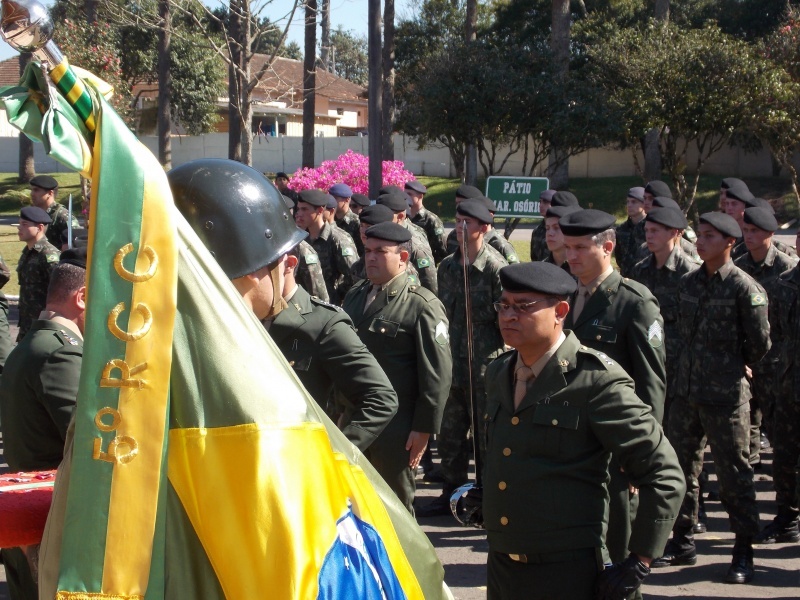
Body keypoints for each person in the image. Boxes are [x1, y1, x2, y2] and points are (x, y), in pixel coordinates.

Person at [481, 261, 684, 600]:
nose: (509, 315)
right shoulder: (499, 372)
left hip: (566, 570)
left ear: (560, 311)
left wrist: (640, 559)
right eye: (503, 305)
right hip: (503, 564)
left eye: (523, 306)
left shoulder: (595, 381)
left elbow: (664, 474)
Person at [169, 159, 399, 452]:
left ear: (288, 264)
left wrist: (333, 456)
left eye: (246, 275)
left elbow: (380, 397)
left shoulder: (322, 324)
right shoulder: (220, 319)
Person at [652, 212, 770, 585]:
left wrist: (730, 365)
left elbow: (759, 344)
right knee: (681, 471)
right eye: (699, 235)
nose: (700, 242)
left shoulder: (744, 288)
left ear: (730, 242)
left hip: (725, 397)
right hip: (686, 392)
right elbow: (678, 331)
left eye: (709, 237)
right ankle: (682, 539)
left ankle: (743, 549)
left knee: (735, 474)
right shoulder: (688, 282)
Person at [561, 209, 667, 570]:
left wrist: (640, 454)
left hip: (612, 442)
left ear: (607, 247)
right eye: (568, 247)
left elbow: (650, 384)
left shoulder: (633, 302)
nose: (571, 256)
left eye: (580, 248)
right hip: (567, 437)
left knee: (615, 544)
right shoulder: (562, 295)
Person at [342, 222, 452, 512]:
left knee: (394, 507)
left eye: (380, 252)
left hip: (396, 427)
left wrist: (423, 429)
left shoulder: (421, 305)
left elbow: (436, 374)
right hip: (353, 418)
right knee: (352, 505)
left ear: (403, 257)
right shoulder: (356, 295)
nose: (370, 258)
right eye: (367, 250)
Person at [0, 247, 86, 600]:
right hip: (50, 529)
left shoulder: (34, 344)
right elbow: (91, 443)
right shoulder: (61, 352)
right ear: (82, 297)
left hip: (31, 524)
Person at [417, 199, 508, 517]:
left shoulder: (495, 268)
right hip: (452, 366)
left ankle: (486, 496)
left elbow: (507, 320)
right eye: (457, 221)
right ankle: (451, 493)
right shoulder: (447, 267)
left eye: (467, 222)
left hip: (485, 367)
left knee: (485, 439)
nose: (460, 227)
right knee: (450, 436)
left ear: (484, 227)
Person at [734, 207, 797, 467]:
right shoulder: (739, 266)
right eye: (746, 230)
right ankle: (752, 467)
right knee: (746, 423)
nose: (748, 236)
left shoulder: (787, 269)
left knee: (779, 428)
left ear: (770, 234)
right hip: (748, 359)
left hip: (778, 363)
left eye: (755, 231)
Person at [630, 208, 701, 430]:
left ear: (674, 233)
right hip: (646, 355)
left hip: (679, 360)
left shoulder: (690, 273)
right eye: (647, 231)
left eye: (655, 231)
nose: (649, 236)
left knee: (677, 426)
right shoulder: (640, 270)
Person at [756, 230, 800, 545]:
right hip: (788, 383)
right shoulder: (785, 283)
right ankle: (788, 518)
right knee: (785, 456)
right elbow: (777, 333)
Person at [294, 189, 359, 304]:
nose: (299, 214)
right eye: (298, 209)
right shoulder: (302, 239)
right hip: (305, 305)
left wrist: (338, 294)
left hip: (330, 306)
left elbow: (355, 275)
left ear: (319, 211)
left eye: (304, 209)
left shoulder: (337, 239)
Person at [377, 192, 438, 294]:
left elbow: (429, 280)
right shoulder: (384, 236)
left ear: (400, 217)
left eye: (385, 216)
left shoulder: (414, 243)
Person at [16, 206, 61, 341]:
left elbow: (59, 292)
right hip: (27, 324)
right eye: (19, 224)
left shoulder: (48, 254)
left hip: (43, 327)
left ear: (40, 228)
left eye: (24, 224)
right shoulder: (27, 253)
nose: (19, 228)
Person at [28, 175, 80, 249]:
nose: (32, 194)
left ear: (50, 193)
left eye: (36, 190)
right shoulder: (35, 214)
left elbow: (76, 242)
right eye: (32, 190)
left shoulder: (63, 215)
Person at [407, 180, 448, 264]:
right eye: (405, 194)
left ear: (420, 196)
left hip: (424, 265)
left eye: (409, 194)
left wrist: (430, 263)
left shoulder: (431, 219)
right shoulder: (404, 217)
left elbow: (442, 248)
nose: (406, 197)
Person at [614, 187, 647, 277]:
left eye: (634, 202)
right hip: (626, 277)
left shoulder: (650, 228)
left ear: (644, 204)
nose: (629, 205)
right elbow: (619, 256)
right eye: (628, 202)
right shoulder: (621, 229)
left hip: (647, 278)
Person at [541, 204, 581, 273]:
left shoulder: (580, 267)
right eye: (547, 228)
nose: (550, 233)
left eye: (556, 228)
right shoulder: (542, 267)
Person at [330, 183, 363, 256]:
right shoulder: (330, 221)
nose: (331, 202)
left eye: (335, 198)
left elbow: (361, 250)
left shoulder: (356, 222)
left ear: (347, 200)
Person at [528, 189, 557, 261]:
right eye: (540, 202)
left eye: (545, 202)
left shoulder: (561, 230)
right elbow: (534, 258)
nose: (541, 205)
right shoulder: (537, 231)